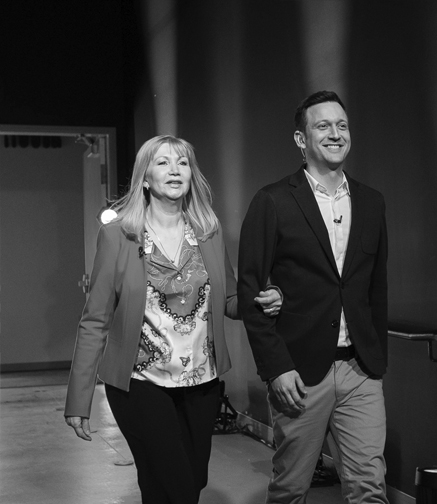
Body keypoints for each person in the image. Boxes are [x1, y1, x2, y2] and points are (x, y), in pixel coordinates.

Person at [64, 135, 282, 504]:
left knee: (187, 483)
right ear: (145, 177)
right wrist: (78, 399)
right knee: (175, 484)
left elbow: (230, 301)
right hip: (140, 384)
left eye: (182, 162)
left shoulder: (208, 232)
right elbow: (95, 320)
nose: (175, 170)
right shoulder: (118, 235)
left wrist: (262, 301)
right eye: (163, 162)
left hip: (201, 383)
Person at [238, 90, 389, 503]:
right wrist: (276, 368)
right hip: (299, 374)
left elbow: (376, 288)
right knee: (291, 489)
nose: (335, 134)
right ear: (301, 139)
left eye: (342, 125)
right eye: (323, 126)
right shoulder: (272, 200)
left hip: (360, 370)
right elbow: (249, 291)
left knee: (370, 487)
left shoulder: (371, 202)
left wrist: (377, 358)